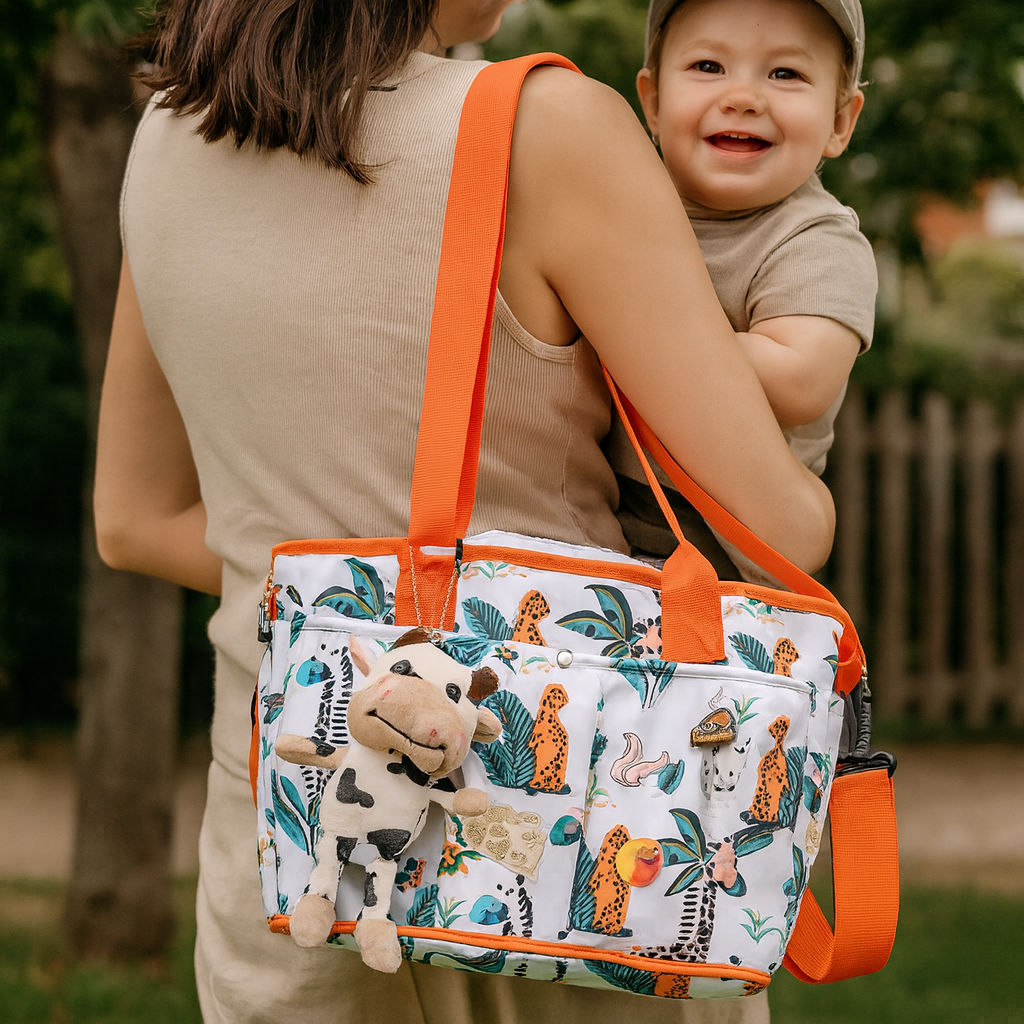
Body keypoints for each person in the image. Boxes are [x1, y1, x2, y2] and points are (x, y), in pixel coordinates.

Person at [94, 0, 837, 1021]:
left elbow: (132, 520)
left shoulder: (174, 129)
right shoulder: (546, 125)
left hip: (295, 839)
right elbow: (782, 532)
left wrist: (355, 618)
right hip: (565, 849)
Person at [608, 0, 876, 584]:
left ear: (840, 122)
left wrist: (626, 327)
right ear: (652, 101)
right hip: (601, 525)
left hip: (734, 555)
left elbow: (801, 378)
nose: (744, 97)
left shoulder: (814, 237)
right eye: (708, 66)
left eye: (786, 74)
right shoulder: (621, 209)